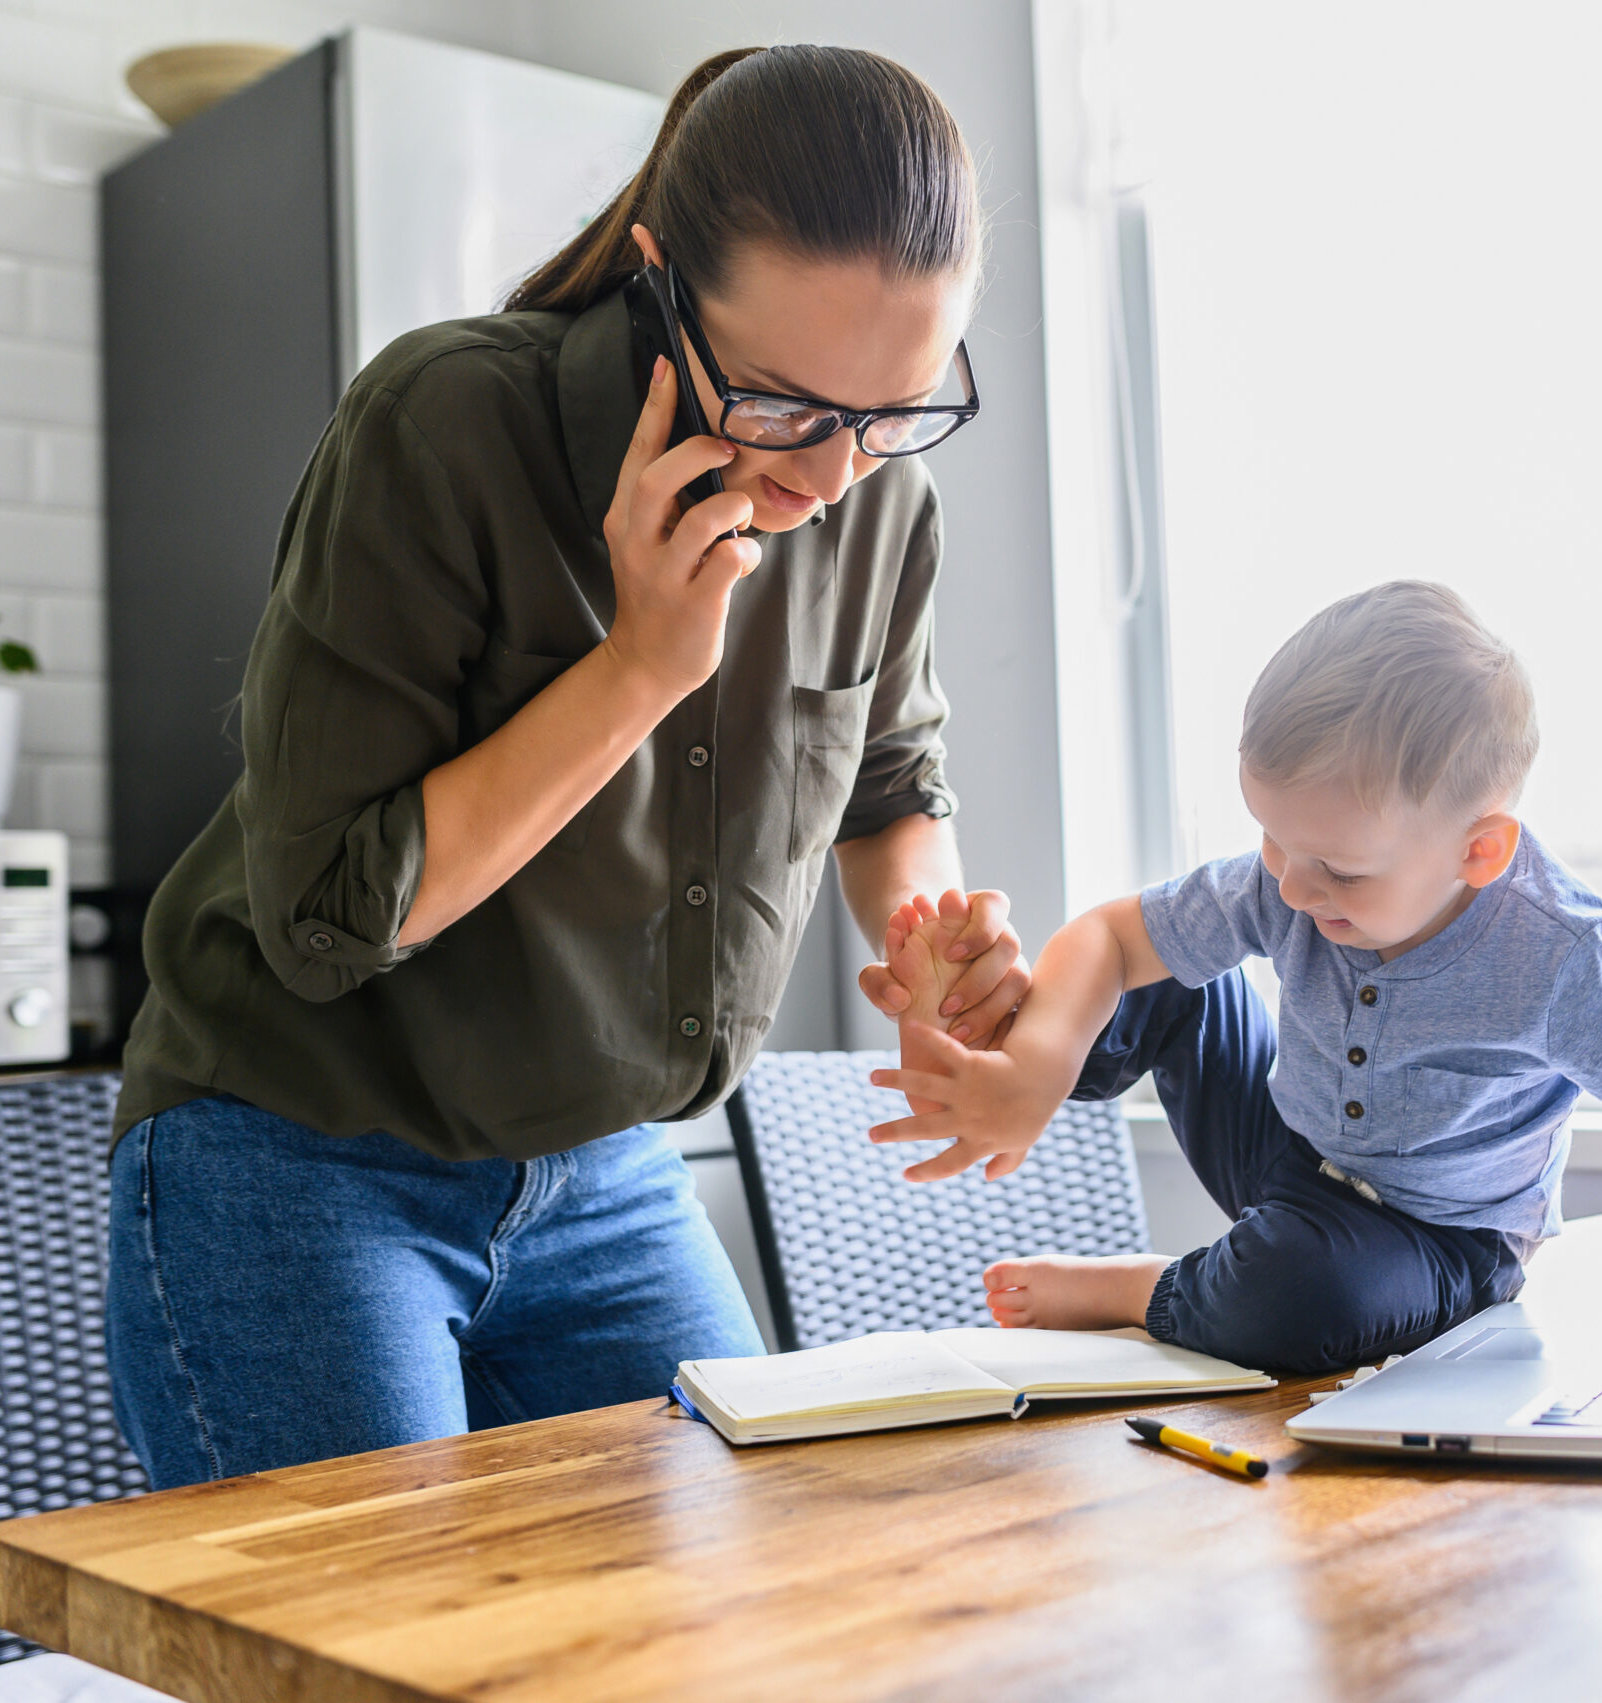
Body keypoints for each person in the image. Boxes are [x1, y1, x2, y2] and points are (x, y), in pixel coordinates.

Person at [106, 45, 1029, 1489]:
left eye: (896, 410)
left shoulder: (878, 504)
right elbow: (331, 915)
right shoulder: (447, 423)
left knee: (727, 1617)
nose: (832, 478)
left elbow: (889, 779)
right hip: (300, 1152)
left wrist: (929, 942)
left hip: (603, 1170)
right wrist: (639, 671)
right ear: (660, 278)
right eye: (785, 404)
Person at [868, 582, 1602, 1373]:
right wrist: (1040, 1057)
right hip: (1290, 1157)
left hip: (1437, 1242)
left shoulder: (1556, 957)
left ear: (1479, 849)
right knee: (1169, 968)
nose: (1290, 885)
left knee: (1301, 1296)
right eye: (1271, 841)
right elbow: (1112, 937)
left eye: (1338, 870)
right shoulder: (1295, 872)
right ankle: (1003, 1063)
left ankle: (1148, 1286)